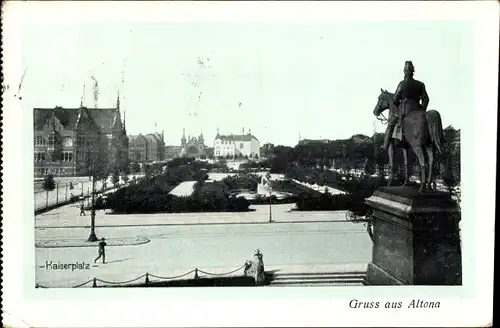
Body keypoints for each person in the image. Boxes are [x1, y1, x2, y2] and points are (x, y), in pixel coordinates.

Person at [381, 61, 430, 151]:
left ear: (404, 71)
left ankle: (385, 145)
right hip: (417, 110)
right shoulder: (420, 84)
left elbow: (395, 99)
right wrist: (422, 111)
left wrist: (399, 105)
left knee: (390, 125)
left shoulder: (402, 84)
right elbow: (426, 99)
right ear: (412, 71)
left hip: (405, 111)